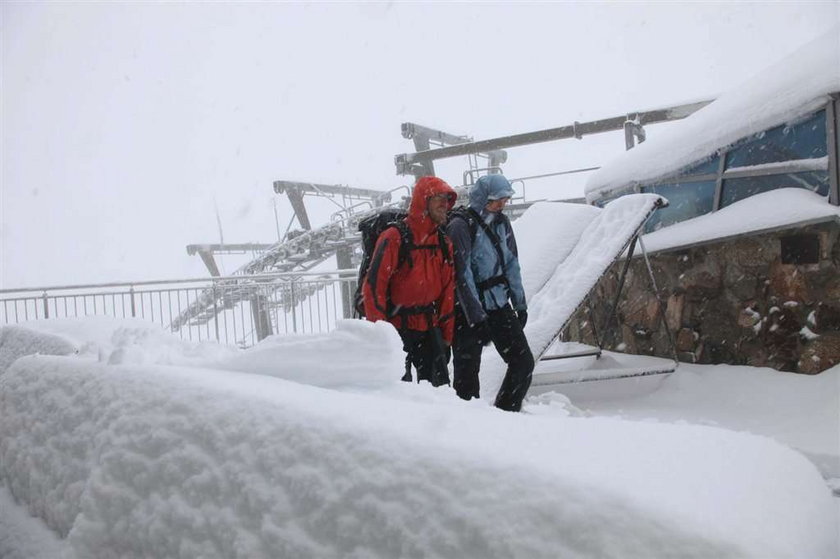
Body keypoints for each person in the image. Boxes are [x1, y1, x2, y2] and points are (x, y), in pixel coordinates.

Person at [447, 174, 534, 411]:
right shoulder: (461, 225)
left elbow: (511, 263)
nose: (502, 204)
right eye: (498, 199)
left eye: (505, 199)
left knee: (523, 362)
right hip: (468, 312)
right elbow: (462, 275)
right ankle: (470, 425)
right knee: (467, 373)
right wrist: (476, 318)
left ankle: (506, 413)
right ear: (483, 198)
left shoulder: (501, 223)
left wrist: (520, 303)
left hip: (498, 305)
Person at [362, 176, 457, 386]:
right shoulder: (394, 237)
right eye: (438, 198)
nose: (445, 204)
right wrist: (381, 335)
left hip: (429, 326)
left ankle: (437, 420)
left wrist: (447, 333)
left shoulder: (442, 242)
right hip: (396, 329)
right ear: (423, 202)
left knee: (439, 392)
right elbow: (373, 287)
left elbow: (447, 291)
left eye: (447, 199)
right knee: (397, 394)